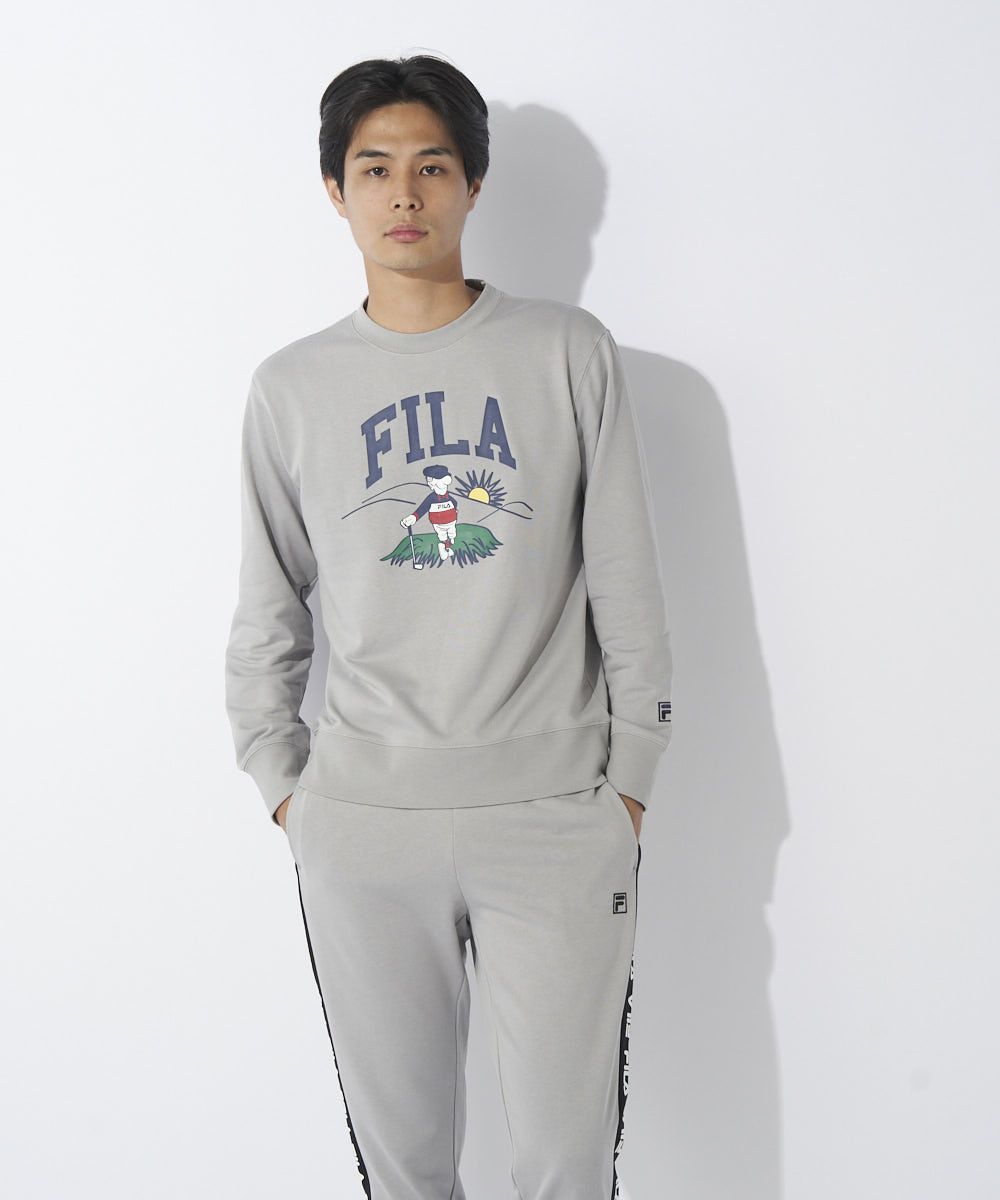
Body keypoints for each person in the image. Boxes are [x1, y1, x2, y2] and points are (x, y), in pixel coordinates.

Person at [224, 53, 673, 1200]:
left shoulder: (567, 352)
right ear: (336, 191)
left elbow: (626, 582)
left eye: (431, 166)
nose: (404, 193)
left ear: (473, 184)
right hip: (362, 828)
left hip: (555, 819)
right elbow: (268, 610)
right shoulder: (291, 387)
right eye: (374, 168)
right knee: (405, 1167)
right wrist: (288, 787)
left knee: (565, 1164)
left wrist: (626, 783)